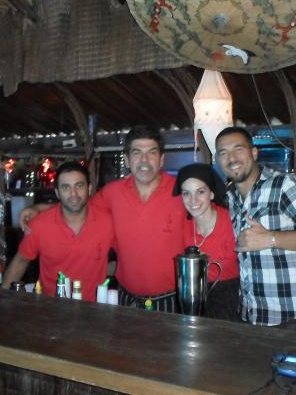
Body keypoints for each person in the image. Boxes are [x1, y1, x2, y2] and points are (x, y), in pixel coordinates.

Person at [20, 125, 187, 312]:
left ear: (162, 159)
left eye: (152, 153)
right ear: (127, 160)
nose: (144, 160)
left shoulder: (183, 192)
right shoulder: (113, 193)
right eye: (137, 153)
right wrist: (39, 208)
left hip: (171, 300)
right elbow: (78, 206)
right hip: (126, 299)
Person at [215, 126, 296, 332]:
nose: (232, 158)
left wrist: (270, 239)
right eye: (223, 153)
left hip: (291, 321)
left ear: (254, 153)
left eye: (238, 149)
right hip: (250, 317)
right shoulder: (231, 197)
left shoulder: (282, 185)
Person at [2, 161, 115, 301]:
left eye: (79, 186)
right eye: (66, 187)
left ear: (89, 189)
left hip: (94, 308)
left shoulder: (107, 222)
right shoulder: (40, 225)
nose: (73, 193)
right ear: (57, 193)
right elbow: (20, 261)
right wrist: (2, 299)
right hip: (51, 307)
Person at [173, 163, 240, 321]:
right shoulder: (181, 225)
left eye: (200, 192)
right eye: (186, 193)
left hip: (231, 301)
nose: (193, 200)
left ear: (211, 193)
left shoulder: (233, 221)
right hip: (192, 300)